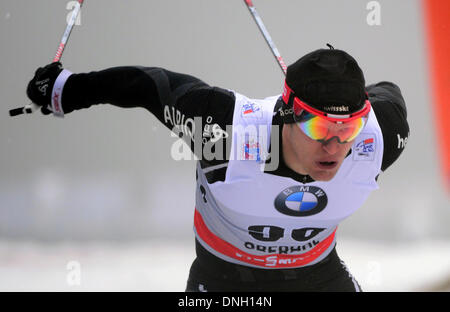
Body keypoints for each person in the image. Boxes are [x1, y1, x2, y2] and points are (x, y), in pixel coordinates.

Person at [26, 46, 409, 292]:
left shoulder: (378, 136)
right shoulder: (224, 131)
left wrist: (342, 96)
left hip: (317, 278)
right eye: (320, 127)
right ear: (288, 112)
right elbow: (148, 86)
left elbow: (388, 93)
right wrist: (66, 89)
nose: (335, 145)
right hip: (224, 280)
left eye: (347, 128)